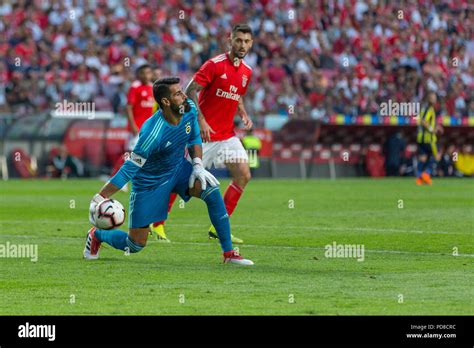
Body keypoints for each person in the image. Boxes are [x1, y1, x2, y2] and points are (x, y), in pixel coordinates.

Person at [83, 77, 253, 266]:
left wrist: (197, 165)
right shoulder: (152, 133)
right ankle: (96, 235)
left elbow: (195, 136)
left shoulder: (188, 108)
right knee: (135, 245)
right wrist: (100, 196)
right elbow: (129, 169)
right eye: (178, 94)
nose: (184, 96)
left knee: (211, 189)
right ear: (165, 101)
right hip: (149, 183)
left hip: (178, 169)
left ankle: (229, 254)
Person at [181, 23, 254, 244]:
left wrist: (242, 112)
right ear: (230, 40)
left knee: (243, 174)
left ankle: (218, 226)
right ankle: (156, 225)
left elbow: (237, 93)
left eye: (246, 41)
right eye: (238, 40)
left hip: (227, 136)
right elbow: (189, 90)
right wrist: (200, 120)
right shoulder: (214, 65)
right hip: (204, 136)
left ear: (251, 44)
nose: (242, 45)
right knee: (183, 184)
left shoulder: (247, 72)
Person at [416, 92, 443, 185]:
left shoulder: (424, 108)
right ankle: (426, 174)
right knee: (438, 154)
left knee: (423, 158)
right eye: (432, 97)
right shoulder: (429, 109)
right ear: (429, 98)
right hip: (429, 138)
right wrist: (432, 129)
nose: (434, 99)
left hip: (421, 138)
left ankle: (419, 179)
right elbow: (423, 121)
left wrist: (437, 126)